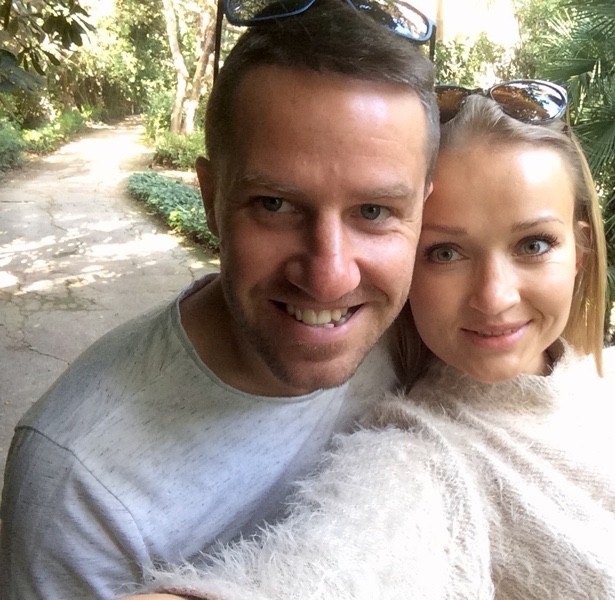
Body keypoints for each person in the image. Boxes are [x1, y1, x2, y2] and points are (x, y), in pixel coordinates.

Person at [124, 92, 615, 598]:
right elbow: (328, 570)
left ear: (581, 251)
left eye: (533, 244)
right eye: (445, 252)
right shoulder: (418, 459)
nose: (494, 297)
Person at [0, 1, 439, 598]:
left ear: (423, 211)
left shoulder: (429, 327)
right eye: (274, 204)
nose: (329, 278)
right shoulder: (80, 484)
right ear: (211, 200)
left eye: (374, 211)